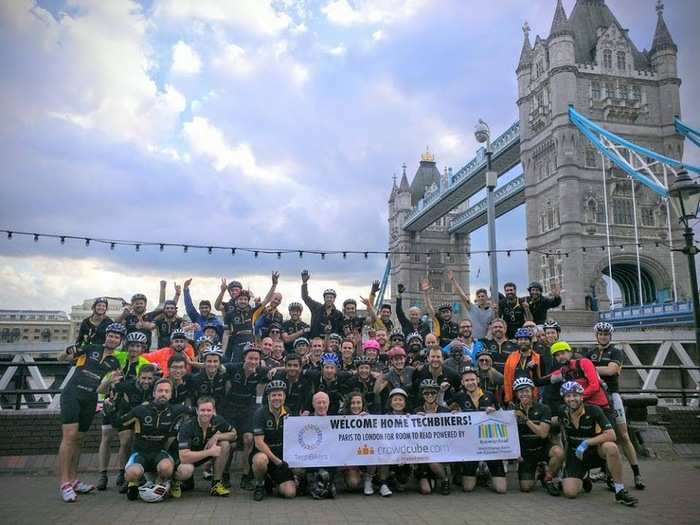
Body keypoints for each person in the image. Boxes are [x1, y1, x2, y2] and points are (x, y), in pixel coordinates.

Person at [57, 322, 125, 502]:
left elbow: (103, 389)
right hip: (72, 394)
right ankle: (64, 483)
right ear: (106, 336)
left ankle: (73, 479)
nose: (113, 339)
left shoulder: (115, 362)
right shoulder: (90, 348)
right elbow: (61, 359)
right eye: (111, 335)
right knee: (69, 436)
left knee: (79, 439)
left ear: (120, 341)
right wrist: (67, 350)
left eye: (117, 337)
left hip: (90, 398)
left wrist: (112, 383)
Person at [549, 382, 638, 506]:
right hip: (576, 455)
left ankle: (620, 491)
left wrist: (586, 442)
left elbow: (611, 434)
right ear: (564, 398)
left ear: (581, 397)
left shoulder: (594, 410)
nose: (572, 399)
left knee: (611, 447)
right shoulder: (562, 411)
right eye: (568, 396)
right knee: (570, 492)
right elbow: (552, 423)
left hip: (595, 451)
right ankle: (584, 476)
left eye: (575, 395)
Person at [584, 322, 645, 490]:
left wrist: (590, 368)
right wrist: (596, 369)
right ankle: (607, 473)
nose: (603, 336)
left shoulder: (616, 352)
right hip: (595, 398)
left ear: (610, 336)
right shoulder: (590, 353)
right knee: (600, 435)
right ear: (596, 336)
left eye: (606, 334)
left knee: (623, 436)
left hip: (612, 395)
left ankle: (637, 473)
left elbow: (611, 371)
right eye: (601, 334)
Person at [120, 378, 191, 501]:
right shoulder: (140, 410)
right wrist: (110, 410)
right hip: (140, 453)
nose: (163, 393)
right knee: (132, 473)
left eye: (166, 391)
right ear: (154, 393)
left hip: (160, 453)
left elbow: (201, 414)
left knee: (166, 468)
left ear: (171, 394)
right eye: (160, 391)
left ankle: (163, 484)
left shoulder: (176, 410)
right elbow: (120, 423)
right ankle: (133, 484)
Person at [96, 362, 156, 492]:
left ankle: (138, 475)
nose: (146, 381)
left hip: (143, 420)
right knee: (126, 440)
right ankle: (123, 473)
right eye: (143, 378)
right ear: (138, 377)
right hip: (125, 417)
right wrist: (108, 382)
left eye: (150, 378)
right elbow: (100, 390)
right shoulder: (127, 386)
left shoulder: (155, 388)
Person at [448, 367, 506, 494]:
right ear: (463, 383)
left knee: (501, 489)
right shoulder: (459, 397)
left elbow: (503, 417)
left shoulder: (489, 396)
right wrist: (453, 413)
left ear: (477, 380)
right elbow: (442, 410)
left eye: (472, 379)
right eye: (467, 380)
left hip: (490, 445)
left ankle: (485, 470)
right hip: (470, 446)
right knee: (468, 488)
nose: (470, 382)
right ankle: (479, 470)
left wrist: (495, 412)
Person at [224, 344, 268, 490]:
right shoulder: (233, 367)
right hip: (230, 408)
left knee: (249, 439)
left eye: (256, 359)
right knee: (230, 442)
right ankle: (224, 474)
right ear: (244, 358)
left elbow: (282, 369)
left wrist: (275, 369)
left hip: (248, 409)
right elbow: (214, 365)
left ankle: (246, 476)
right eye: (250, 358)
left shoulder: (261, 371)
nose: (253, 362)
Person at [508, 377, 562, 495]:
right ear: (517, 394)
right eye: (520, 391)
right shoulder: (512, 411)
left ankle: (548, 478)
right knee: (526, 488)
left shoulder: (543, 408)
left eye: (527, 391)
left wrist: (525, 419)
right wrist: (515, 453)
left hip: (542, 447)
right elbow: (509, 436)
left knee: (558, 453)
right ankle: (539, 470)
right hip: (526, 452)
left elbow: (543, 434)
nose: (524, 394)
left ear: (533, 391)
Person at [177, 396, 237, 497]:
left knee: (225, 444)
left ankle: (216, 484)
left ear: (213, 410)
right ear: (197, 410)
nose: (206, 413)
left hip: (202, 454)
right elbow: (184, 457)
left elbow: (234, 434)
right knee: (186, 471)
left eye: (209, 410)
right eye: (202, 410)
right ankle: (174, 482)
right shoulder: (187, 426)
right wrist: (210, 452)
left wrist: (218, 436)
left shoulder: (217, 420)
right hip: (185, 459)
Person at [251, 380, 297, 501]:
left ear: (284, 397)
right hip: (266, 455)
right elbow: (259, 443)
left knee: (290, 494)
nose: (277, 398)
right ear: (268, 397)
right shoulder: (260, 414)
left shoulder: (289, 413)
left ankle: (272, 481)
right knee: (260, 460)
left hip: (282, 459)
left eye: (279, 395)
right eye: (273, 395)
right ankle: (259, 484)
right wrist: (277, 461)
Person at [413, 379, 451, 495]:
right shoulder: (416, 411)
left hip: (440, 451)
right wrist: (412, 418)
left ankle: (445, 479)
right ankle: (428, 477)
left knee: (434, 463)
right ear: (422, 395)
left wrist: (455, 416)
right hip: (422, 453)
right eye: (426, 393)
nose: (430, 395)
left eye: (433, 393)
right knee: (426, 490)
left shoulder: (445, 411)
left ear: (437, 394)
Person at [376, 388, 412, 497]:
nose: (398, 402)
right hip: (389, 452)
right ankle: (383, 484)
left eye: (401, 400)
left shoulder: (411, 418)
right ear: (390, 403)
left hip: (405, 455)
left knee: (402, 482)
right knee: (384, 454)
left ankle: (395, 478)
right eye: (395, 400)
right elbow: (380, 436)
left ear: (405, 403)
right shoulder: (385, 419)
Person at [341, 391, 376, 495]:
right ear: (348, 404)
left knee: (374, 450)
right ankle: (352, 474)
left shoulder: (369, 418)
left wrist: (369, 421)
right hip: (351, 459)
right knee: (353, 484)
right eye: (353, 403)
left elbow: (378, 438)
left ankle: (369, 479)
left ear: (363, 404)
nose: (356, 406)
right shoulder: (341, 419)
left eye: (358, 403)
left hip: (366, 455)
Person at [306, 392, 337, 500]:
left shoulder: (335, 420)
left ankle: (328, 484)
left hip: (328, 458)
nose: (321, 405)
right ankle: (312, 484)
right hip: (310, 458)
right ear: (313, 404)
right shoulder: (303, 420)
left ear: (328, 404)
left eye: (324, 402)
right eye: (318, 403)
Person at [447, 271, 495, 340]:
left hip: (486, 340)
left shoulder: (492, 311)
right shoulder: (472, 307)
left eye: (483, 296)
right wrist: (453, 280)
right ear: (476, 298)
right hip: (472, 340)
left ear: (487, 297)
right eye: (479, 296)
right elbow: (462, 295)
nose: (481, 298)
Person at [503, 327, 541, 404]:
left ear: (530, 342)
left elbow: (541, 380)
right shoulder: (511, 357)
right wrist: (509, 398)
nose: (523, 341)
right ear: (517, 342)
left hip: (533, 397)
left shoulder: (538, 358)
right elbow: (507, 378)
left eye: (526, 339)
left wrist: (537, 397)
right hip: (515, 397)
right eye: (520, 339)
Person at [301, 270, 344, 337]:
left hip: (331, 342)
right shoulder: (316, 307)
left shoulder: (338, 314)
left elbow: (340, 330)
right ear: (324, 298)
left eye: (331, 297)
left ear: (334, 299)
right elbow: (305, 298)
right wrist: (304, 283)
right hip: (316, 342)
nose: (329, 299)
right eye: (327, 297)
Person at [420, 277, 459, 347]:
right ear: (440, 314)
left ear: (451, 313)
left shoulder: (456, 325)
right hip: (440, 349)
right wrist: (425, 293)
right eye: (443, 313)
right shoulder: (438, 321)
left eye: (447, 312)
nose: (446, 314)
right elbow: (429, 308)